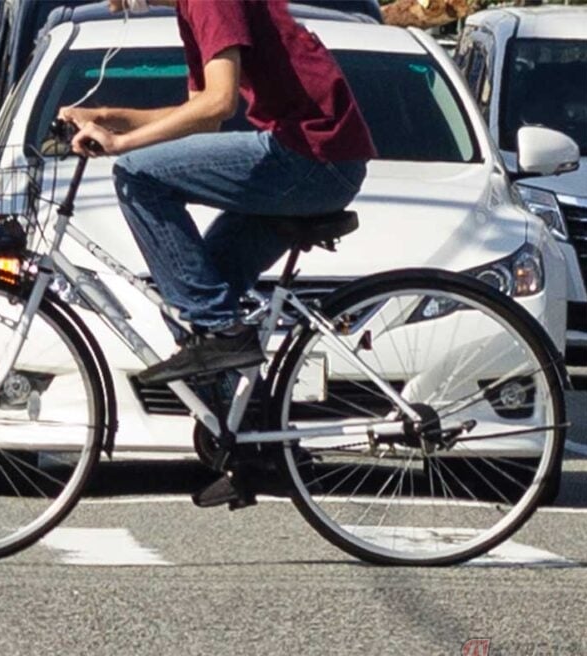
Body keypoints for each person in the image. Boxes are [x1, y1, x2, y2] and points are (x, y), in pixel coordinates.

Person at [60, 0, 376, 507]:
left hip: (312, 158)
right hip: (311, 157)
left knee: (138, 178)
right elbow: (200, 115)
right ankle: (260, 450)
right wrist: (109, 117)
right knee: (196, 302)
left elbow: (220, 104)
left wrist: (122, 148)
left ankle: (223, 333)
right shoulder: (193, 11)